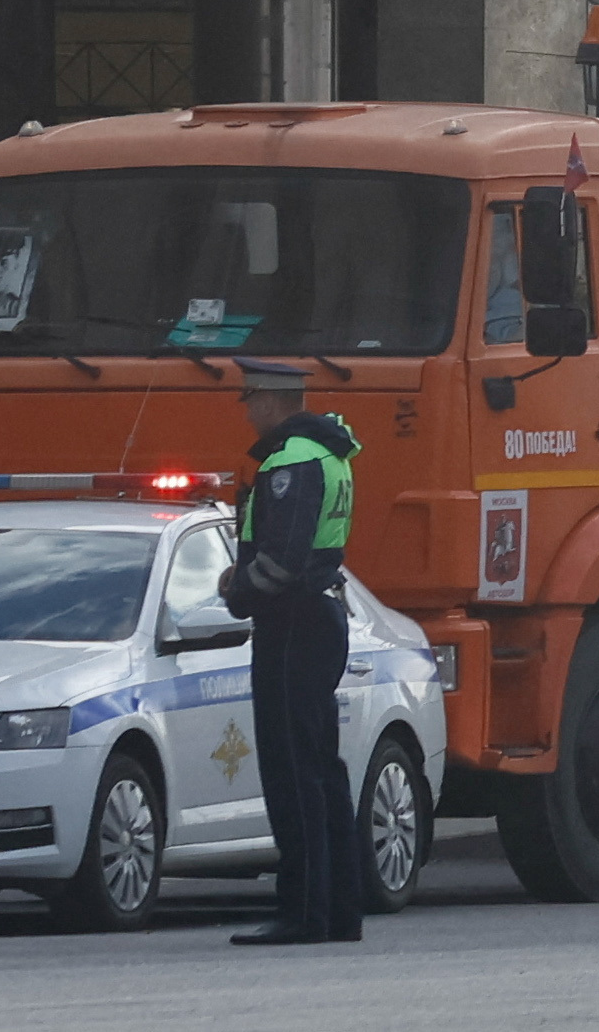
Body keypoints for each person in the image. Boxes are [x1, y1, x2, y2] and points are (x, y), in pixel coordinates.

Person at [220, 365, 367, 945]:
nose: (245, 411)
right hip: (319, 615)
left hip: (291, 624)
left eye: (248, 400)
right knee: (322, 768)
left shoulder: (292, 460)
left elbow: (282, 560)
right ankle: (339, 910)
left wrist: (238, 591)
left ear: (269, 401)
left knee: (292, 771)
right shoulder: (329, 452)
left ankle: (303, 911)